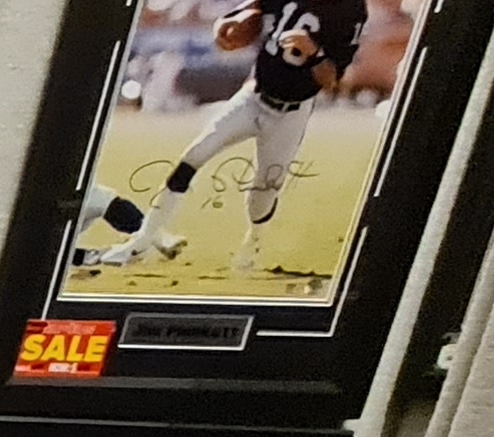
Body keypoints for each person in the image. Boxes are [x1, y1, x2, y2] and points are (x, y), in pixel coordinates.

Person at [87, 1, 370, 278]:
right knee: (194, 155)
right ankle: (142, 242)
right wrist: (231, 20)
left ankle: (254, 240)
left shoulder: (350, 10)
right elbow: (257, 6)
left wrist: (314, 53)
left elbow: (331, 80)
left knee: (263, 193)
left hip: (290, 114)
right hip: (253, 97)